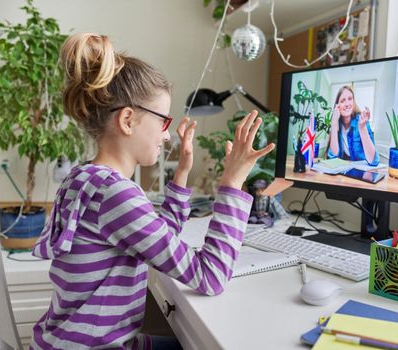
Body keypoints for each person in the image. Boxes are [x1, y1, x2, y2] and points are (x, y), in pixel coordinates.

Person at [29, 33, 275, 350]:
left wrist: (183, 170)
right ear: (128, 120)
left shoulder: (86, 178)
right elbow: (211, 276)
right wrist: (233, 181)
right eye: (162, 120)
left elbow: (158, 238)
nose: (167, 134)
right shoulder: (115, 193)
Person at [327, 85, 379, 166]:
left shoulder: (362, 121)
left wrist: (362, 128)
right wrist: (334, 123)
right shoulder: (337, 124)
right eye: (343, 101)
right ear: (337, 106)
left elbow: (374, 161)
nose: (347, 104)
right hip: (344, 172)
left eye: (350, 99)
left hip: (363, 173)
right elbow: (333, 157)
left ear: (353, 102)